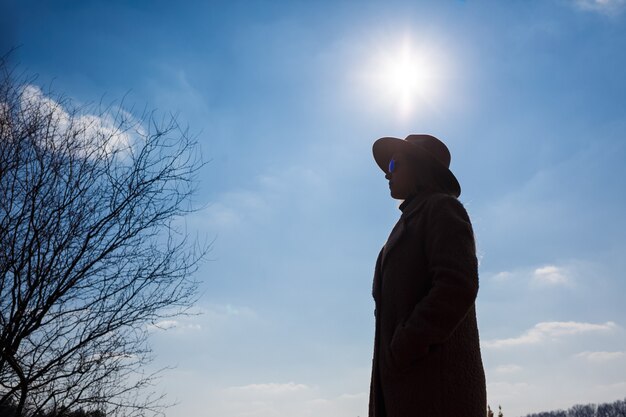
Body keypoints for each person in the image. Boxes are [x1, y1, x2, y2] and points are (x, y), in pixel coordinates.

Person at [368, 134, 487, 417]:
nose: (387, 173)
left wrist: (404, 347)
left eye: (395, 163)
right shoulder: (409, 221)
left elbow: (457, 286)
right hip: (406, 388)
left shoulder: (441, 208)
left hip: (436, 391)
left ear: (418, 166)